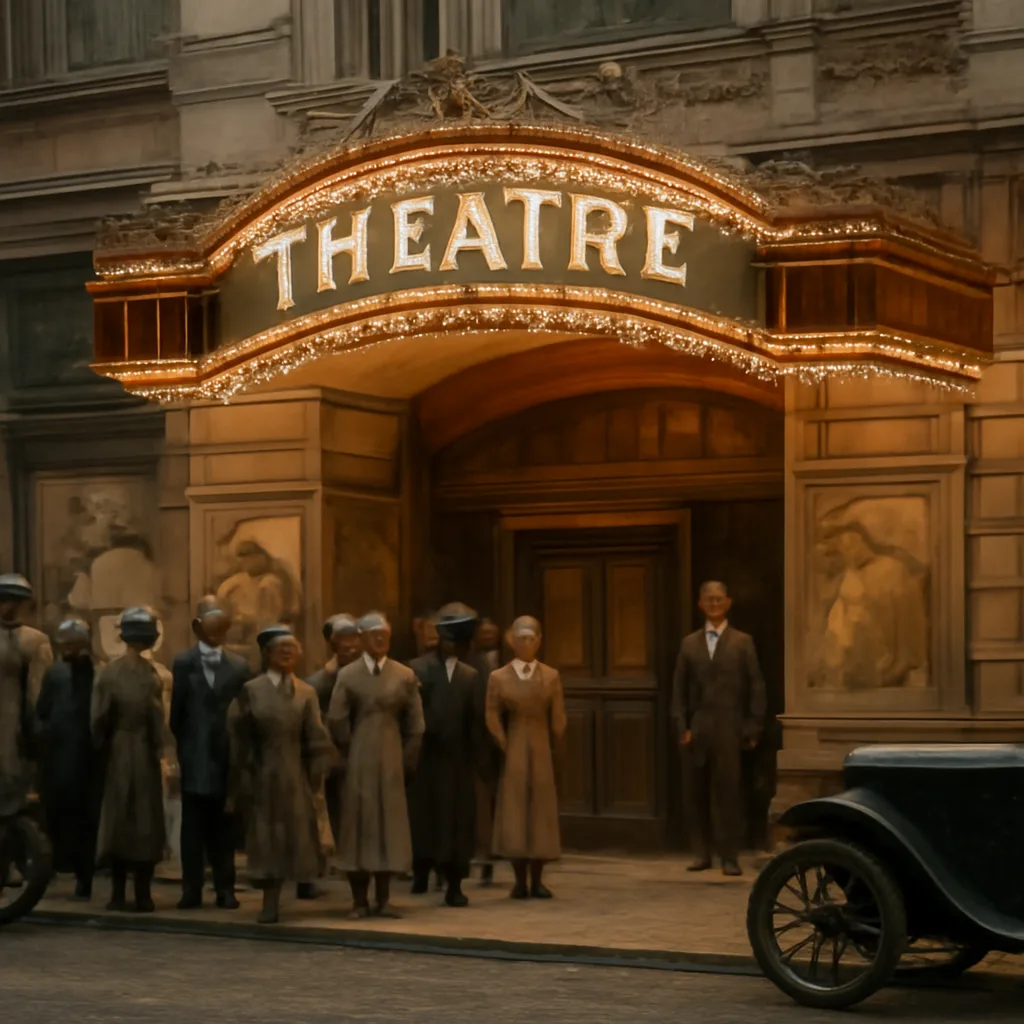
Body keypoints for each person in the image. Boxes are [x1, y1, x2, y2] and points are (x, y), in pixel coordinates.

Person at [227, 625, 333, 924]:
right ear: (266, 654)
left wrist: (315, 776)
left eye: (293, 649)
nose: (287, 654)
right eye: (280, 648)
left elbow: (316, 736)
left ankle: (298, 890)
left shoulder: (306, 692)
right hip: (262, 774)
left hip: (295, 774)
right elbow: (238, 735)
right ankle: (268, 901)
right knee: (265, 838)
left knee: (295, 836)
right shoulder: (251, 690)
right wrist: (243, 776)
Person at [329, 612, 424, 919]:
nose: (380, 639)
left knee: (389, 826)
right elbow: (336, 717)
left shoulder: (403, 675)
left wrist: (409, 755)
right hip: (360, 753)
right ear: (361, 639)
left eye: (385, 634)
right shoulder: (348, 675)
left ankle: (384, 899)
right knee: (360, 824)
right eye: (373, 635)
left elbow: (416, 721)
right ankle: (359, 900)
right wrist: (348, 749)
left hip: (392, 755)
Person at [671, 580, 766, 877]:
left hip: (730, 726)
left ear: (728, 603)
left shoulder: (742, 642)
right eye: (708, 600)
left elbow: (757, 686)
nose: (713, 604)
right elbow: (679, 691)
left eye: (718, 599)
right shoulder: (689, 644)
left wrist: (752, 728)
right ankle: (701, 853)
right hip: (698, 729)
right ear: (700, 604)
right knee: (695, 792)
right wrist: (683, 727)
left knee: (728, 793)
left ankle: (729, 856)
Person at [170, 597, 252, 910]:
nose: (216, 631)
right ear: (197, 627)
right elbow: (176, 714)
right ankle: (191, 888)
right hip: (194, 755)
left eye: (222, 625)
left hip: (227, 758)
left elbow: (245, 714)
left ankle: (225, 888)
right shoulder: (183, 663)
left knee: (224, 828)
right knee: (192, 828)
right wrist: (185, 749)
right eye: (210, 625)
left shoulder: (239, 666)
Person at [91, 607, 167, 912]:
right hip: (135, 751)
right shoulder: (149, 674)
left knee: (124, 817)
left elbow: (98, 719)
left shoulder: (113, 673)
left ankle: (122, 892)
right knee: (138, 818)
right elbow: (157, 720)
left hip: (124, 750)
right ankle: (137, 892)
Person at [486, 616, 566, 900]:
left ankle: (538, 879)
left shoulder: (551, 675)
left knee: (540, 810)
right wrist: (503, 741)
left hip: (541, 742)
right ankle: (519, 879)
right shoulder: (499, 677)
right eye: (521, 638)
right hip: (516, 743)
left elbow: (558, 715)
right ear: (511, 641)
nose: (527, 643)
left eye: (532, 638)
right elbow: (492, 712)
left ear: (540, 641)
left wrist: (556, 743)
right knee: (516, 808)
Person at [408, 610, 480, 907]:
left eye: (459, 642)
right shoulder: (418, 669)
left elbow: (474, 719)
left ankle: (454, 882)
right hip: (426, 757)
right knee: (424, 817)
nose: (453, 647)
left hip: (457, 760)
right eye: (449, 641)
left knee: (457, 820)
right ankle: (421, 870)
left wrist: (476, 756)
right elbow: (411, 712)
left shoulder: (470, 675)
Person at [36, 617, 103, 900]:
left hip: (89, 759)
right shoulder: (56, 674)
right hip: (61, 757)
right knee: (61, 817)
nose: (68, 649)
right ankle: (59, 869)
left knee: (86, 821)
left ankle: (83, 877)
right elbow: (43, 709)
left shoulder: (99, 673)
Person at [298, 613, 360, 900]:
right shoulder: (319, 681)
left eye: (353, 638)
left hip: (360, 753)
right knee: (320, 813)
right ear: (331, 643)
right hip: (328, 756)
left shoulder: (365, 675)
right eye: (343, 639)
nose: (350, 645)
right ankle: (316, 870)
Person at [469, 617, 501, 887]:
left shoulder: (507, 661)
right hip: (478, 740)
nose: (489, 636)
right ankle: (483, 853)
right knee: (480, 802)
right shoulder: (471, 663)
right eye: (484, 632)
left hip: (506, 740)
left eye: (493, 632)